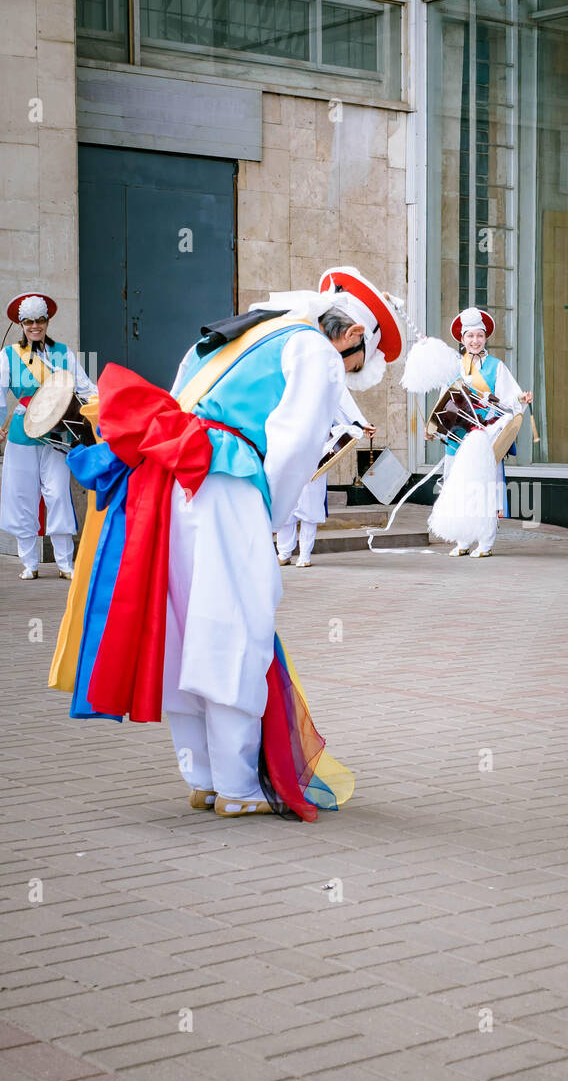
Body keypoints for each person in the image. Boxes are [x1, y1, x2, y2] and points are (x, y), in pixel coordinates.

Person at [50, 281, 402, 819]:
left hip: (167, 479)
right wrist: (270, 516)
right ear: (352, 335)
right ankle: (238, 785)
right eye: (353, 366)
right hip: (227, 481)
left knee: (181, 627)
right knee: (234, 628)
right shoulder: (312, 347)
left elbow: (177, 398)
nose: (347, 374)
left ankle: (202, 778)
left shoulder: (241, 330)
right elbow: (295, 443)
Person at [1, 292, 96, 579]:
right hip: (23, 432)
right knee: (22, 494)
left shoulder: (64, 352)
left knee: (57, 495)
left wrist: (101, 407)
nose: (34, 326)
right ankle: (29, 562)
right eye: (28, 321)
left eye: (39, 321)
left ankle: (65, 563)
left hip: (57, 432)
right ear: (21, 323)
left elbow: (86, 387)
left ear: (47, 321)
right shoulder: (8, 356)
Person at [429, 308, 532, 558]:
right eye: (470, 336)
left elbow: (510, 398)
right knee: (458, 489)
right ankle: (463, 540)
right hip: (458, 438)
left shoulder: (497, 367)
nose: (475, 341)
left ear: (485, 338)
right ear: (462, 339)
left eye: (479, 336)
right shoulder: (454, 367)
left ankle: (485, 542)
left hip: (486, 438)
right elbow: (444, 403)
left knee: (485, 489)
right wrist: (432, 427)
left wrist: (522, 398)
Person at [276, 387, 376, 568]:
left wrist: (360, 424)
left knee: (310, 502)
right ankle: (284, 553)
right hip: (287, 445)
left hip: (316, 447)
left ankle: (305, 554)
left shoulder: (323, 376)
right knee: (286, 502)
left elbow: (340, 399)